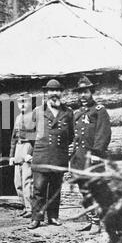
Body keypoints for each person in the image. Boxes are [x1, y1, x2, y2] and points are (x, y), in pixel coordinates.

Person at [28, 79, 74, 229]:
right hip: (41, 155)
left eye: (58, 91)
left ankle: (53, 217)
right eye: (51, 91)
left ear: (61, 93)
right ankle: (36, 218)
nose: (54, 93)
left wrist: (59, 147)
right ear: (46, 93)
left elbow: (71, 136)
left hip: (58, 156)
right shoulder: (37, 111)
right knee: (39, 189)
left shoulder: (68, 112)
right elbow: (30, 135)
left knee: (55, 189)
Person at [70, 75, 112, 234]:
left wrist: (96, 154)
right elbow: (76, 136)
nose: (82, 95)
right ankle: (92, 220)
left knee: (97, 190)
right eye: (80, 92)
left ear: (91, 92)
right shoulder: (77, 113)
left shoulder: (99, 110)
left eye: (85, 92)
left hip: (93, 159)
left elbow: (103, 134)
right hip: (79, 159)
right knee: (84, 190)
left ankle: (99, 222)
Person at [9, 93, 35, 218]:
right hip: (18, 148)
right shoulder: (18, 117)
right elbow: (14, 137)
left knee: (27, 180)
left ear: (30, 103)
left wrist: (31, 153)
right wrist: (11, 155)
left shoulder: (34, 116)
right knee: (17, 181)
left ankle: (31, 208)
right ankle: (24, 206)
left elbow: (38, 136)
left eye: (25, 102)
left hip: (28, 146)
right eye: (20, 102)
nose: (23, 104)